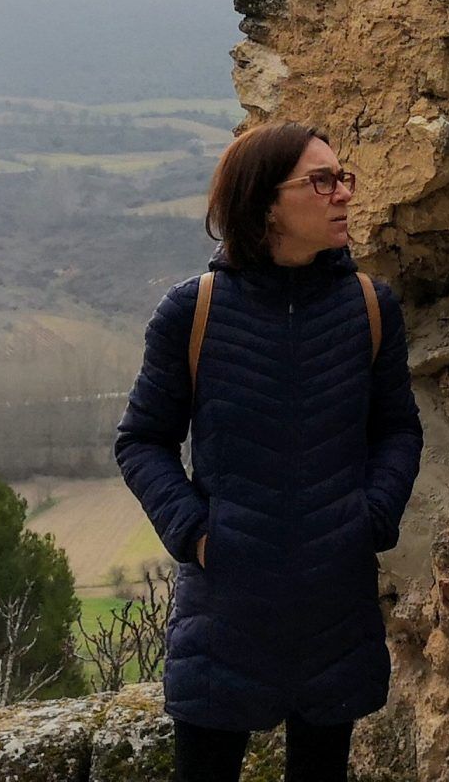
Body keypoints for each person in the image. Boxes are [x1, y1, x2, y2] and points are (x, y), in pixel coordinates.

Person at [115, 122, 424, 782]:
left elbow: (398, 430)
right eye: (321, 181)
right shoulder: (191, 313)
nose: (342, 193)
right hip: (225, 609)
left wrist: (369, 518)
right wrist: (197, 533)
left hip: (334, 608)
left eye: (343, 177)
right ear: (263, 202)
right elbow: (142, 440)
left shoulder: (372, 308)